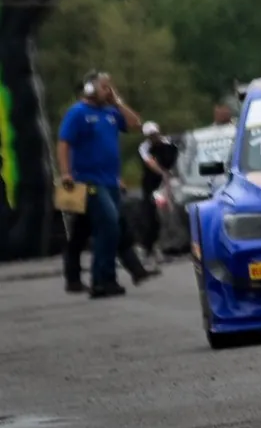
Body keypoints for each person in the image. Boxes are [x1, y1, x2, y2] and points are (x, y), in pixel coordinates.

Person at [57, 72, 150, 297]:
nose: (108, 91)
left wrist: (117, 101)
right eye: (103, 87)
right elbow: (64, 143)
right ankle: (101, 279)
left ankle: (102, 277)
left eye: (110, 87)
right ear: (90, 88)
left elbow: (135, 124)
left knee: (100, 228)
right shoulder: (78, 112)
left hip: (110, 182)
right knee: (109, 225)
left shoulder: (110, 113)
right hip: (88, 181)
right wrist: (66, 173)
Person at [134, 121, 179, 265]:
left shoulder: (169, 143)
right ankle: (147, 248)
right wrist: (162, 173)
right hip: (152, 184)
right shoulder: (144, 148)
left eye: (154, 134)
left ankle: (165, 246)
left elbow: (177, 159)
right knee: (152, 215)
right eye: (150, 135)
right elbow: (150, 163)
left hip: (170, 183)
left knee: (169, 215)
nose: (153, 137)